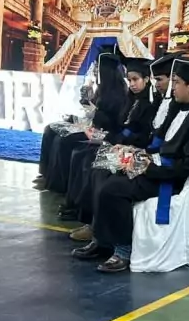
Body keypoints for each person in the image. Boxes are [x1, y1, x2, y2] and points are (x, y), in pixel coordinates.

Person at [73, 58, 189, 273]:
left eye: (177, 82)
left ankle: (123, 250)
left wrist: (150, 169)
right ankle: (101, 238)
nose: (173, 86)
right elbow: (162, 146)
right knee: (102, 170)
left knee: (114, 189)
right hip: (157, 165)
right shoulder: (178, 108)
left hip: (170, 178)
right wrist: (137, 152)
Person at [68, 52, 183, 244]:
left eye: (162, 80)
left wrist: (135, 150)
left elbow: (150, 137)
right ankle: (92, 223)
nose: (158, 84)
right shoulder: (159, 103)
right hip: (143, 152)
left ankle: (106, 237)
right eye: (129, 79)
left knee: (105, 172)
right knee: (96, 164)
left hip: (159, 163)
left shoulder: (170, 107)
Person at [64, 55, 156, 226]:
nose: (132, 84)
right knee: (82, 155)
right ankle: (80, 211)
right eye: (130, 80)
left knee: (95, 165)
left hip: (134, 149)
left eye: (136, 79)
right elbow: (121, 126)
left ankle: (93, 223)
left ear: (147, 79)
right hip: (119, 143)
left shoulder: (150, 104)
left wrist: (114, 140)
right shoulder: (130, 98)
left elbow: (140, 135)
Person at [38, 46, 129, 212]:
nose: (94, 71)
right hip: (93, 127)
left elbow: (109, 121)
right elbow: (93, 114)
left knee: (65, 140)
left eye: (96, 68)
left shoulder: (118, 93)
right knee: (52, 129)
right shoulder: (101, 88)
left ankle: (61, 185)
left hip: (106, 133)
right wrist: (86, 104)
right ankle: (47, 175)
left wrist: (92, 114)